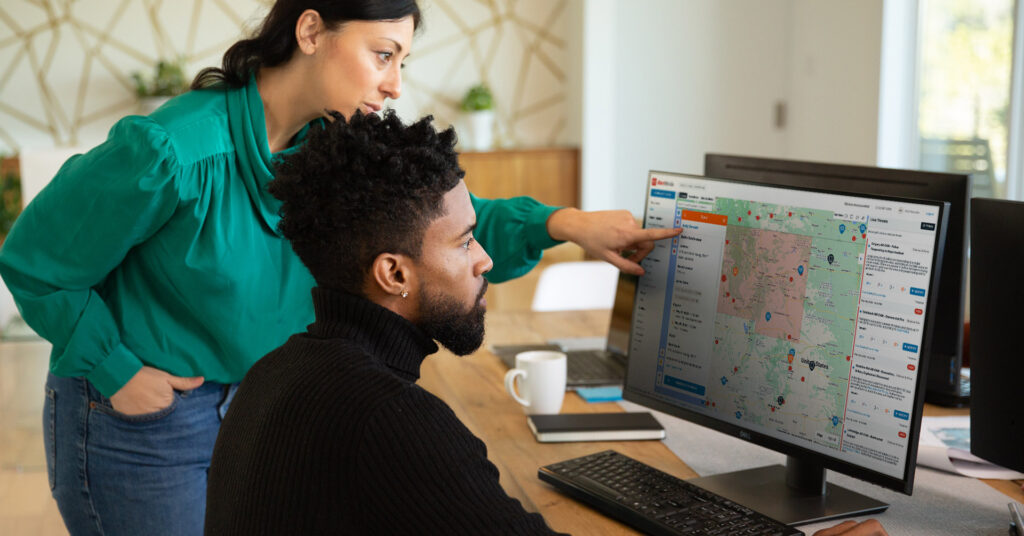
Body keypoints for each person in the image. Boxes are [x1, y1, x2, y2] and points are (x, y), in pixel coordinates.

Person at [0, 1, 677, 534]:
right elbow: (33, 260)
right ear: (311, 30)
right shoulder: (169, 151)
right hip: (146, 408)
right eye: (383, 54)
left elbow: (431, 233)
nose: (393, 83)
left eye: (403, 61)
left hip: (256, 399)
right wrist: (117, 371)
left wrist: (564, 225)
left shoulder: (332, 142)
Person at [205, 111, 888, 536]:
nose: (487, 259)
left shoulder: (278, 372)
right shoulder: (389, 418)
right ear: (394, 273)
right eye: (466, 241)